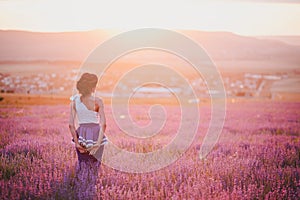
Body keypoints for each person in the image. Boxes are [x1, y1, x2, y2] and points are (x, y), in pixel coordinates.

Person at [68, 72, 107, 199]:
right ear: (92, 87)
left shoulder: (74, 101)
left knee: (82, 164)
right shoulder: (98, 101)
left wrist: (78, 143)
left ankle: (79, 192)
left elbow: (71, 125)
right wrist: (97, 143)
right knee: (95, 167)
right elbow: (103, 124)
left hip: (82, 134)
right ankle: (92, 193)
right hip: (96, 134)